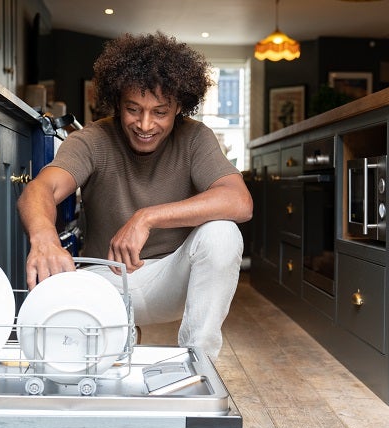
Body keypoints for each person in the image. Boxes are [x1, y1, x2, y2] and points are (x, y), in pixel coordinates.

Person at [17, 32, 253, 361]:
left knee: (223, 232)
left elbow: (239, 201)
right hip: (105, 279)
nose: (145, 124)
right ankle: (122, 329)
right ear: (117, 102)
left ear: (179, 108)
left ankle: (199, 364)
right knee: (86, 364)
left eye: (160, 112)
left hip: (171, 280)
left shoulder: (196, 138)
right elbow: (40, 188)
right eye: (133, 109)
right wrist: (43, 237)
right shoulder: (92, 139)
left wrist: (147, 217)